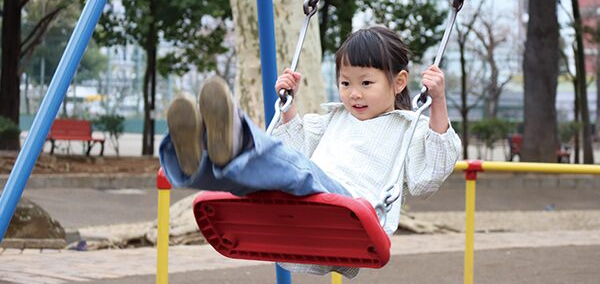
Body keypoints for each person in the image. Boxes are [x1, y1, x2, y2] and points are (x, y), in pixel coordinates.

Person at [159, 26, 461, 278]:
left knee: (296, 169)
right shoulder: (334, 118)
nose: (354, 93)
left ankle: (236, 136)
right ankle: (195, 161)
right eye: (345, 83)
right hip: (304, 207)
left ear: (398, 82)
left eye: (366, 83)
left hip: (349, 209)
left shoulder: (407, 129)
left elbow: (428, 177)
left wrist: (438, 101)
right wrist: (288, 107)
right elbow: (295, 145)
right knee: (258, 182)